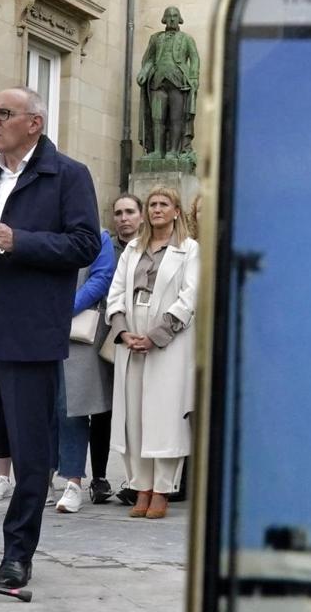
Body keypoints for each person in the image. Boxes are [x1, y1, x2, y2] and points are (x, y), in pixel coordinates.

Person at [0, 86, 101, 589]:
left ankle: (18, 554)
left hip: (27, 327)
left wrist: (19, 240)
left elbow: (84, 243)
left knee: (29, 451)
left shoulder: (68, 175)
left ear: (35, 122)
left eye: (4, 113)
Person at [106, 186, 199, 520]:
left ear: (176, 211)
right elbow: (116, 291)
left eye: (164, 204)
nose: (157, 209)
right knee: (135, 417)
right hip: (132, 334)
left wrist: (157, 335)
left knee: (164, 416)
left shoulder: (189, 250)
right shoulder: (133, 248)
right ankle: (141, 487)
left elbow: (190, 298)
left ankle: (162, 490)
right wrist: (122, 330)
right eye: (152, 205)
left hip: (167, 339)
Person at [53, 229, 116, 513]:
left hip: (76, 330)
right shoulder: (42, 230)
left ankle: (73, 481)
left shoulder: (98, 236)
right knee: (41, 408)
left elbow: (101, 278)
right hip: (37, 325)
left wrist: (63, 307)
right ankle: (43, 476)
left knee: (72, 408)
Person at [107, 193, 143, 508]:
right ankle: (132, 480)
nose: (123, 218)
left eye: (130, 211)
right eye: (118, 212)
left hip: (152, 338)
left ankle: (153, 484)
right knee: (122, 412)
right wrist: (121, 329)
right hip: (119, 336)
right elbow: (112, 290)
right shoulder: (110, 246)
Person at [137, 6, 200, 159]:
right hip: (158, 81)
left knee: (176, 118)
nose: (172, 19)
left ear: (180, 19)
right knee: (157, 118)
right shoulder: (155, 38)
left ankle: (173, 151)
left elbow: (195, 59)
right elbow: (149, 59)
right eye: (169, 16)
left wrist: (193, 77)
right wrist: (144, 71)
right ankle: (157, 151)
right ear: (164, 19)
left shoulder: (186, 38)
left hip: (179, 82)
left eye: (175, 16)